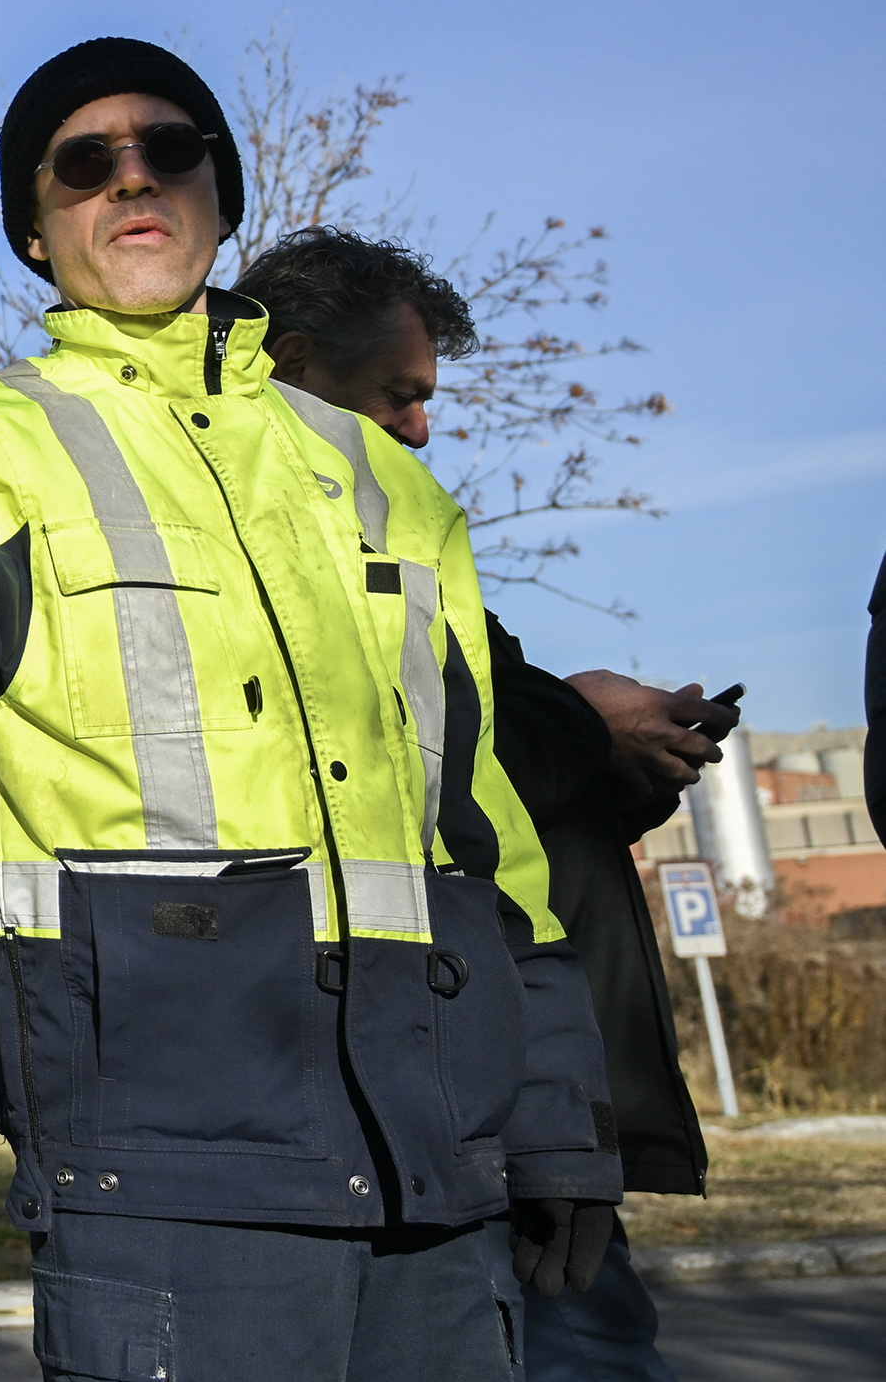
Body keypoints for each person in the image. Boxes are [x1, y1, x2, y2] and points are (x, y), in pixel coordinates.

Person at [0, 37, 618, 1382]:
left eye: (172, 147)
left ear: (225, 192)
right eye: (85, 163)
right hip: (166, 1172)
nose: (134, 176)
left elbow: (484, 825)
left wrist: (557, 1110)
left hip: (439, 1164)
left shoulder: (380, 475)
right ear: (32, 231)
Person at [245, 224, 738, 1382]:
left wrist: (624, 770)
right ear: (297, 366)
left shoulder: (408, 540)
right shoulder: (281, 563)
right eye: (397, 396)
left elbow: (498, 813)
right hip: (462, 1109)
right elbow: (442, 764)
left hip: (527, 1102)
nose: (422, 428)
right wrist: (581, 717)